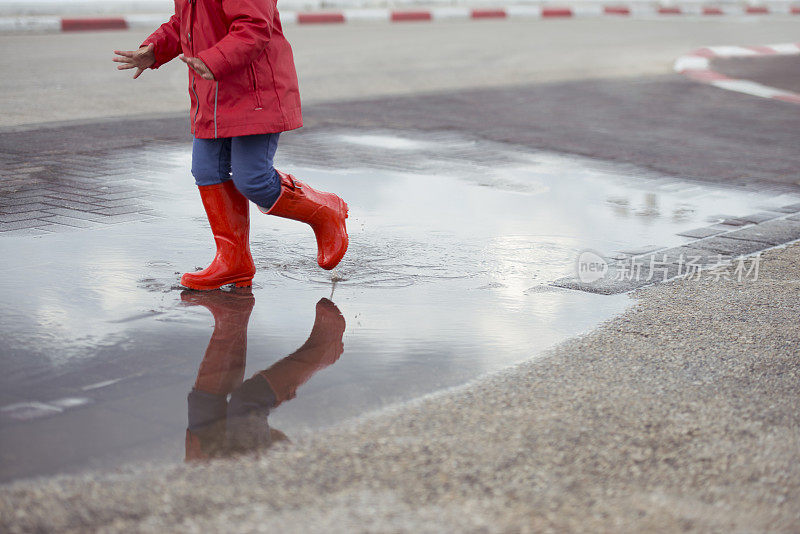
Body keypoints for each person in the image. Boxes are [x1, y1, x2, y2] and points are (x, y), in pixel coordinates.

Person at [113, 0, 349, 291]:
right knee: (206, 170)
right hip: (211, 93)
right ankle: (233, 260)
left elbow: (254, 26)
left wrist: (214, 60)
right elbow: (185, 23)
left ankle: (325, 212)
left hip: (255, 91)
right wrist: (154, 49)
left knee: (253, 180)